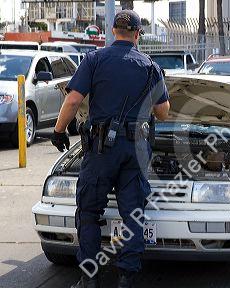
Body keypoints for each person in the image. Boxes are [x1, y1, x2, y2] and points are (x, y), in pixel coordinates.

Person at [50, 10, 170, 288]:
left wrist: (58, 132)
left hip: (101, 151)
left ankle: (89, 279)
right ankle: (126, 277)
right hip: (135, 153)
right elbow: (163, 112)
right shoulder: (150, 66)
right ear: (138, 34)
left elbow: (72, 101)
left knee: (89, 212)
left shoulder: (94, 60)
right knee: (132, 215)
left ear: (113, 31)